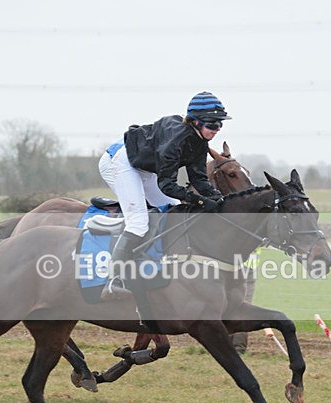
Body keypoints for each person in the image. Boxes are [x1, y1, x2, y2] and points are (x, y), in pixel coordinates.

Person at [98, 91, 231, 300]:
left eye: (220, 125)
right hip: (121, 162)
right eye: (213, 125)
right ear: (195, 122)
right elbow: (167, 184)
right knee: (139, 222)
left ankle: (157, 264)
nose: (217, 130)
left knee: (174, 210)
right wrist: (200, 200)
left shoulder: (199, 141)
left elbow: (199, 180)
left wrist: (219, 199)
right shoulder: (175, 141)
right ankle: (113, 279)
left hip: (147, 168)